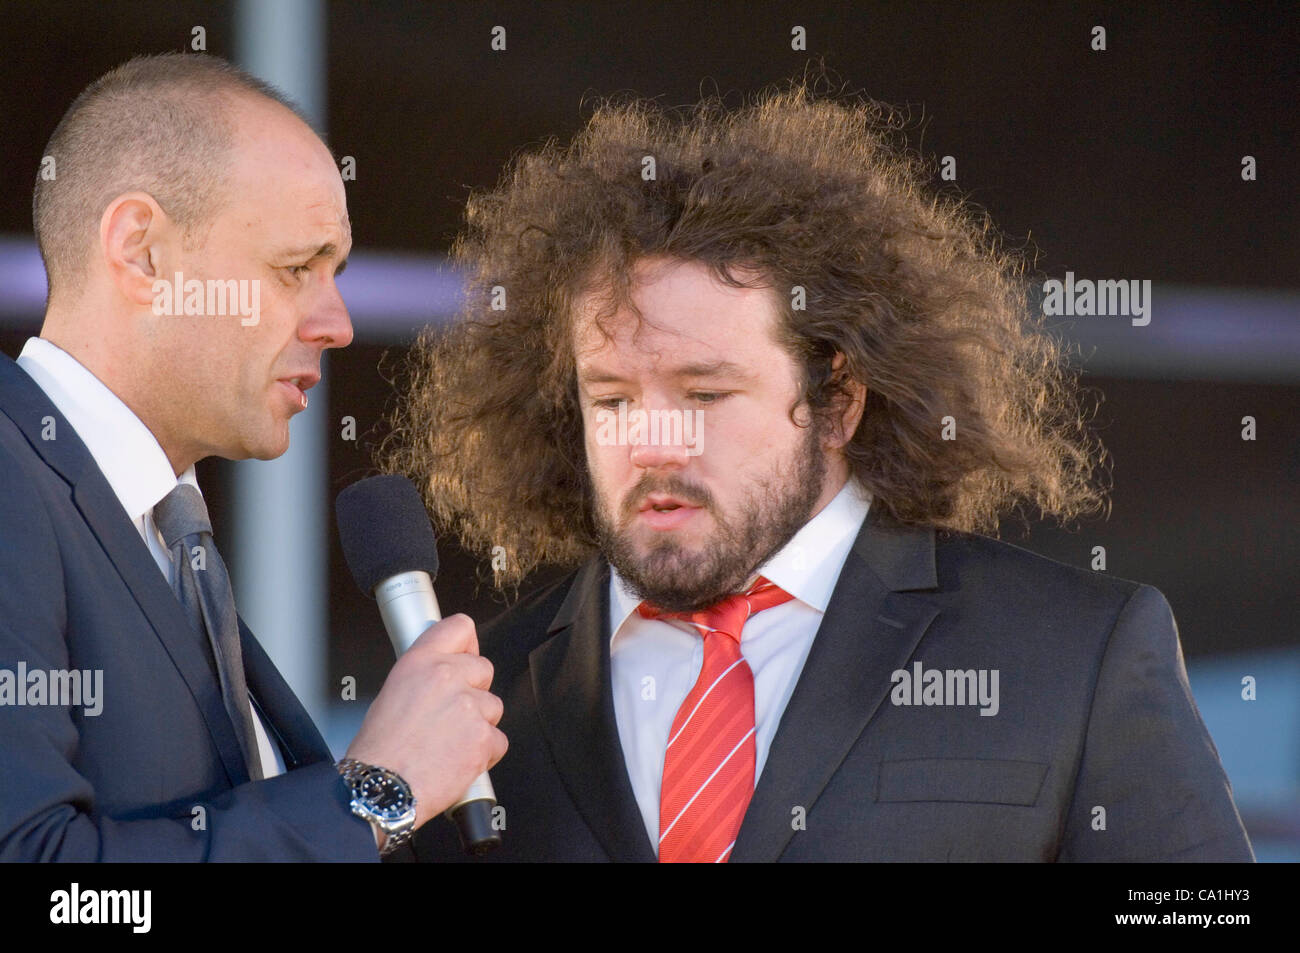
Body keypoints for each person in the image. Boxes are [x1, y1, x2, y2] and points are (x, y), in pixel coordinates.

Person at [387, 82, 1253, 862]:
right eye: (610, 399)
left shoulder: (1078, 650)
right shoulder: (480, 703)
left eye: (707, 392)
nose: (652, 439)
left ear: (838, 398)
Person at [0, 53, 506, 861]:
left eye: (333, 272)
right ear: (142, 253)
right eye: (295, 268)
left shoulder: (161, 532)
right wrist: (373, 796)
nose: (337, 322)